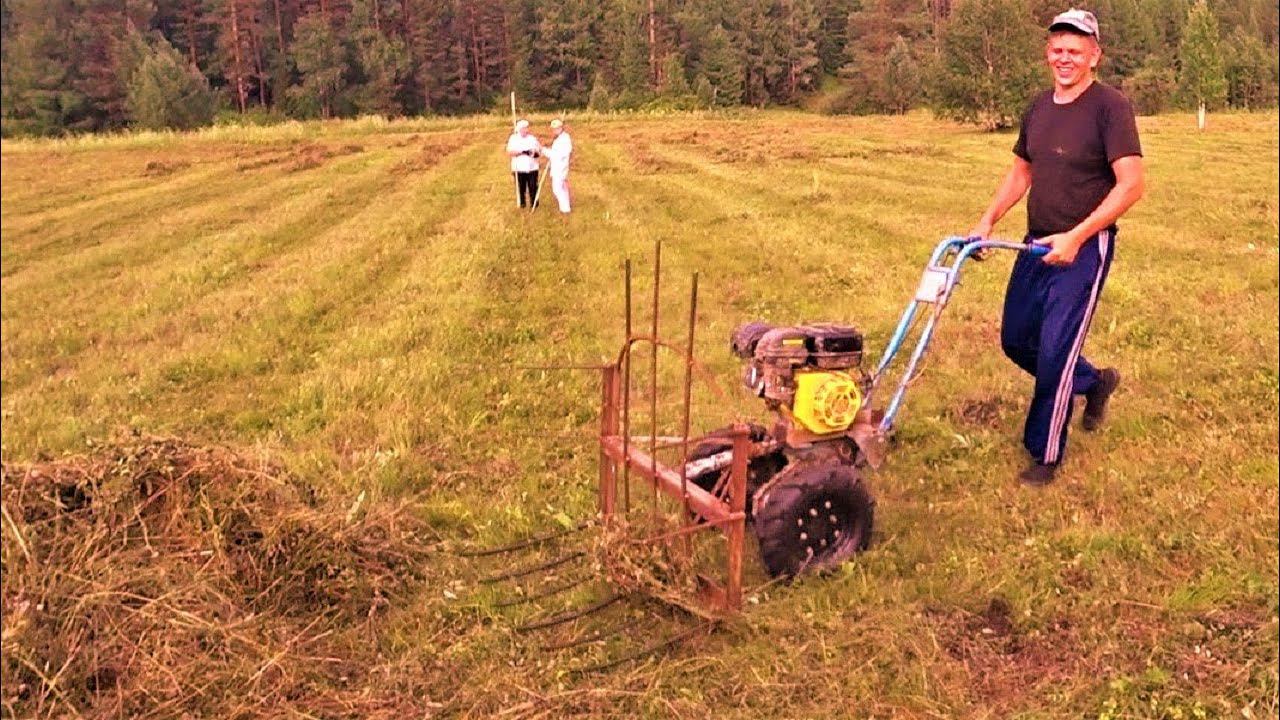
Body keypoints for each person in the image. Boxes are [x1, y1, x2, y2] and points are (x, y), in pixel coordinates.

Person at [968, 8, 1145, 486]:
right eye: (1058, 49)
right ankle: (1093, 381)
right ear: (1048, 53)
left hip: (1084, 247)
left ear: (1094, 56)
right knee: (1016, 339)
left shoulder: (1110, 107)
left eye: (1076, 50)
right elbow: (1021, 172)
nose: (1065, 57)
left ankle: (1045, 454)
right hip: (1035, 244)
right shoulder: (1039, 106)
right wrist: (987, 220)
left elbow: (1131, 185)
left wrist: (1078, 236)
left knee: (1055, 352)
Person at [506, 119, 542, 209]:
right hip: (518, 168)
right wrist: (522, 152)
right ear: (519, 129)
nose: (525, 130)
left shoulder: (532, 139)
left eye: (526, 128)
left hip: (532, 167)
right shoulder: (513, 139)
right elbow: (510, 152)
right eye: (523, 128)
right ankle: (522, 204)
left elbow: (538, 151)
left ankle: (534, 204)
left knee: (533, 186)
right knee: (521, 187)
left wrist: (534, 153)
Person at [542, 118, 573, 215]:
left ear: (560, 128)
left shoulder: (565, 139)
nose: (554, 130)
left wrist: (543, 150)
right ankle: (566, 207)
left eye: (555, 128)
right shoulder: (560, 138)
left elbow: (557, 154)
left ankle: (565, 209)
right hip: (558, 166)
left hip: (560, 167)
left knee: (557, 189)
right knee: (563, 187)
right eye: (553, 129)